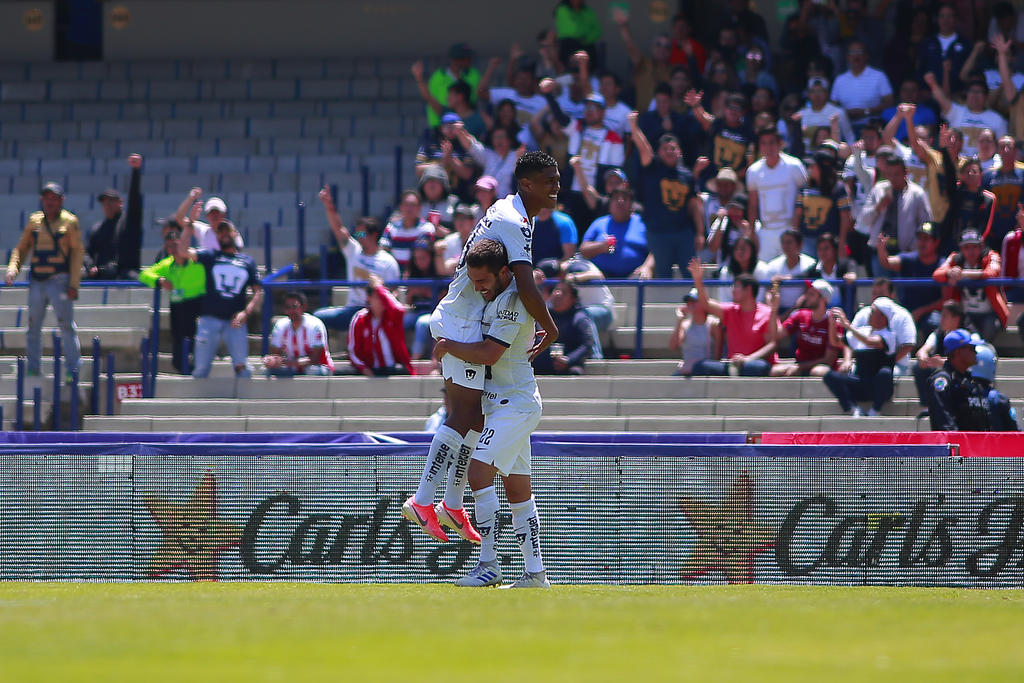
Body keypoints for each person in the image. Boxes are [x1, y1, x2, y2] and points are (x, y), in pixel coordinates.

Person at [405, 152, 560, 545]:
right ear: (526, 184)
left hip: (465, 316)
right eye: (549, 180)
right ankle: (424, 500)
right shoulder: (514, 220)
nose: (557, 186)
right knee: (465, 414)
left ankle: (451, 505)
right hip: (461, 320)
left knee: (475, 420)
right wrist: (551, 329)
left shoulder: (509, 210)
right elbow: (525, 284)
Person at [434, 239, 549, 588]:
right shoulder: (500, 296)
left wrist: (447, 347)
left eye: (483, 281)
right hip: (505, 404)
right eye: (473, 281)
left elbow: (489, 354)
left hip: (514, 403)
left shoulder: (511, 301)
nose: (478, 288)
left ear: (502, 272)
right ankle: (536, 574)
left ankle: (488, 565)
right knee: (518, 490)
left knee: (478, 473)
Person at [6, 182, 83, 380]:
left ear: (61, 201)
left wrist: (74, 284)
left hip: (60, 279)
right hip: (38, 280)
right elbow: (21, 249)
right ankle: (33, 367)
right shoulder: (34, 221)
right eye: (47, 198)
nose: (50, 202)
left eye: (54, 198)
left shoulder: (70, 222)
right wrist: (13, 269)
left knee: (66, 324)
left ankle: (72, 369)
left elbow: (77, 254)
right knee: (33, 325)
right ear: (42, 200)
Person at [313, 189, 401, 332]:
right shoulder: (353, 251)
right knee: (317, 316)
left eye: (361, 233)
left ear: (374, 235)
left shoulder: (388, 261)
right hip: (353, 310)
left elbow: (393, 292)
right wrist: (329, 207)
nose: (358, 236)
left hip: (377, 312)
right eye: (357, 233)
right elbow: (338, 229)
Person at [629, 112, 704, 277]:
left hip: (683, 233)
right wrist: (634, 127)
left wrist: (699, 232)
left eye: (673, 148)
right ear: (659, 152)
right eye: (665, 149)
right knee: (663, 275)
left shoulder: (687, 175)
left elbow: (694, 205)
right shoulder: (653, 168)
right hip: (658, 233)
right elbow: (644, 148)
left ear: (679, 151)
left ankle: (692, 302)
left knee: (691, 274)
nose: (669, 151)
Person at [190, 221, 262, 379]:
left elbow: (258, 291)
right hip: (209, 319)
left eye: (227, 231)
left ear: (235, 234)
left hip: (234, 321)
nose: (223, 234)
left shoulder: (247, 261)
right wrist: (189, 222)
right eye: (220, 231)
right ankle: (197, 402)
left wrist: (246, 313)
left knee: (242, 367)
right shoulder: (211, 256)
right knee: (200, 369)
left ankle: (245, 402)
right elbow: (183, 253)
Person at [688, 259, 776, 377]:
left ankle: (736, 372)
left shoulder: (767, 313)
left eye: (736, 286)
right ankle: (734, 372)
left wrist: (747, 359)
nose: (732, 290)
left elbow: (771, 345)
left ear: (748, 289)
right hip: (732, 365)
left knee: (757, 367)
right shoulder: (730, 310)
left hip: (754, 363)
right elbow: (705, 304)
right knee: (700, 367)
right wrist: (698, 280)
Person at [138, 224, 206, 374]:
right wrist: (160, 280)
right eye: (169, 247)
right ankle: (181, 368)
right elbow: (144, 274)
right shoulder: (167, 264)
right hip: (178, 306)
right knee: (177, 339)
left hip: (197, 304)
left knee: (196, 338)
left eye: (175, 245)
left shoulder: (196, 260)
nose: (172, 250)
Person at [858, 149, 932, 274]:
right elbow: (863, 220)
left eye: (896, 174)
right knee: (882, 290)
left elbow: (926, 224)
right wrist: (878, 207)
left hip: (905, 254)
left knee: (903, 291)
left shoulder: (917, 193)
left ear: (905, 173)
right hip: (881, 252)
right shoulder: (879, 190)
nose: (893, 178)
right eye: (889, 174)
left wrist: (915, 246)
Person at [824, 299, 898, 417]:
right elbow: (835, 341)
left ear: (883, 317)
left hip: (879, 388)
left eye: (873, 312)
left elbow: (870, 341)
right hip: (860, 383)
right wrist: (832, 323)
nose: (869, 314)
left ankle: (875, 410)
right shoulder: (862, 331)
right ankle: (852, 408)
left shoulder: (890, 336)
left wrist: (847, 325)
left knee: (885, 373)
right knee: (830, 376)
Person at [933, 228, 1008, 342]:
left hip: (989, 314)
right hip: (965, 314)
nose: (971, 251)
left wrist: (963, 274)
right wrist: (949, 273)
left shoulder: (991, 255)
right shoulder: (956, 258)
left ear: (981, 246)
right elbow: (937, 274)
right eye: (966, 247)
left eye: (975, 246)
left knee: (989, 328)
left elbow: (993, 272)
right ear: (961, 248)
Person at [926, 328, 1008, 430]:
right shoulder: (943, 380)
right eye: (971, 348)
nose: (976, 352)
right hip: (957, 444)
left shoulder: (971, 380)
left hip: (977, 444)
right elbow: (944, 422)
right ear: (958, 351)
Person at [746, 126, 808, 261]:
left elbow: (805, 197)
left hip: (789, 229)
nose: (768, 147)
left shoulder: (794, 165)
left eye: (771, 142)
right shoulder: (753, 171)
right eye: (763, 143)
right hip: (765, 232)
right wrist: (752, 232)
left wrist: (795, 230)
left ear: (780, 144)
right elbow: (752, 204)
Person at [876, 223, 945, 340]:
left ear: (936, 242)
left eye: (926, 239)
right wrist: (881, 249)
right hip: (905, 312)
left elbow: (945, 299)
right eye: (919, 239)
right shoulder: (908, 259)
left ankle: (932, 354)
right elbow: (886, 263)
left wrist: (920, 312)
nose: (922, 243)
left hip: (930, 313)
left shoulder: (942, 265)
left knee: (935, 322)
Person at [85, 154, 143, 280]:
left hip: (126, 273)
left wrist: (135, 171)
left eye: (111, 201)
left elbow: (135, 201)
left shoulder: (129, 222)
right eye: (105, 202)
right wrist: (90, 266)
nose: (108, 205)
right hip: (102, 275)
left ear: (120, 203)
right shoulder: (98, 229)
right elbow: (86, 252)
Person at [768, 279, 842, 377]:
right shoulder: (800, 315)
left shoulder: (833, 322)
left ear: (822, 299)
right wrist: (774, 308)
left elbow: (828, 360)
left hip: (821, 367)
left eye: (811, 294)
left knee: (817, 372)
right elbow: (775, 335)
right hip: (801, 365)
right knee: (775, 371)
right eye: (807, 293)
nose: (806, 297)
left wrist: (801, 367)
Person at [923, 73, 1007, 158]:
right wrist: (932, 83)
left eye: (978, 92)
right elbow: (941, 99)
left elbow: (1002, 145)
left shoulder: (997, 119)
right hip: (957, 161)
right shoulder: (957, 111)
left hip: (985, 164)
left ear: (986, 96)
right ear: (966, 94)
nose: (974, 95)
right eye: (971, 91)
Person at [344, 276, 414, 377]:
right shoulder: (360, 319)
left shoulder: (393, 318)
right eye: (377, 297)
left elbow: (399, 310)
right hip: (368, 369)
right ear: (369, 298)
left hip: (392, 369)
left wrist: (379, 288)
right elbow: (353, 352)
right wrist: (366, 370)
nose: (381, 301)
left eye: (382, 297)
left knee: (403, 371)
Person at [912, 299, 970, 412]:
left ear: (956, 318)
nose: (941, 320)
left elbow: (968, 362)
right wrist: (922, 357)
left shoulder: (968, 336)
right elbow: (923, 349)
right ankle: (927, 407)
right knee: (918, 367)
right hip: (942, 372)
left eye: (944, 316)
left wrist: (943, 363)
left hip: (960, 376)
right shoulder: (938, 333)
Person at [793, 149, 852, 259]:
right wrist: (795, 240)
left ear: (823, 168)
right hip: (807, 239)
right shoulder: (805, 188)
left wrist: (842, 243)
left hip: (829, 243)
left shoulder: (838, 189)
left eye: (813, 166)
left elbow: (845, 218)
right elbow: (798, 214)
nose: (810, 169)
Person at [579, 186, 649, 278]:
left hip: (635, 279)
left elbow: (655, 251)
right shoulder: (599, 223)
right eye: (616, 198)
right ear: (610, 204)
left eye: (625, 198)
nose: (620, 201)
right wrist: (601, 247)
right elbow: (583, 250)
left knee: (642, 277)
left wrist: (647, 267)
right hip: (600, 278)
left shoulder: (643, 223)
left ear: (632, 205)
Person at [263, 291, 333, 377]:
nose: (291, 311)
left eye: (294, 307)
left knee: (311, 371)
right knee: (267, 371)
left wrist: (286, 362)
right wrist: (272, 361)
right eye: (288, 307)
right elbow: (275, 354)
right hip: (292, 367)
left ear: (303, 308)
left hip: (319, 367)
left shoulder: (315, 325)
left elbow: (315, 359)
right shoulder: (280, 326)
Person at [830, 40, 894, 134]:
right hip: (845, 128)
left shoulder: (879, 76)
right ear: (847, 57)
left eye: (859, 52)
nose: (856, 56)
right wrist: (845, 114)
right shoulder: (840, 80)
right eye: (852, 53)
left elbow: (889, 102)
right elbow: (832, 106)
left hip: (873, 127)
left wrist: (866, 112)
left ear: (866, 56)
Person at [532, 280, 593, 375]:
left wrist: (568, 359)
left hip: (568, 363)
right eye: (556, 290)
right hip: (543, 362)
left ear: (573, 299)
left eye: (563, 292)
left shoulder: (579, 318)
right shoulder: (544, 315)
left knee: (575, 372)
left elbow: (586, 345)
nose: (557, 294)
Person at [421, 43, 482, 130]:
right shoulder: (439, 76)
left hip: (466, 124)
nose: (470, 60)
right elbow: (430, 98)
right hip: (440, 124)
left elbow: (476, 97)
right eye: (466, 58)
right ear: (456, 60)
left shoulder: (473, 74)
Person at [982, 135, 1023, 252]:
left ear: (1015, 151)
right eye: (1002, 147)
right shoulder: (988, 176)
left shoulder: (1023, 175)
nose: (1006, 150)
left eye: (1009, 147)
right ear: (997, 151)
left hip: (1017, 233)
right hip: (993, 233)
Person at [919, 3, 971, 94]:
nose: (945, 20)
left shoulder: (966, 44)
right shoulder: (927, 43)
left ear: (956, 19)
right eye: (942, 16)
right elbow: (921, 69)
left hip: (957, 97)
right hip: (930, 96)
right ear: (937, 19)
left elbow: (969, 73)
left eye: (949, 16)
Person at [761, 229, 816, 312]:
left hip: (804, 310)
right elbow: (768, 292)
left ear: (799, 244)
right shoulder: (773, 265)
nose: (786, 246)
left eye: (789, 242)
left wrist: (795, 309)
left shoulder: (811, 264)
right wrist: (772, 310)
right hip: (777, 310)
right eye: (783, 242)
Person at [670, 288, 718, 376]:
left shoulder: (713, 324)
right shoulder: (684, 324)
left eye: (694, 301)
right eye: (688, 301)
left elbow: (717, 355)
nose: (690, 304)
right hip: (686, 371)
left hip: (705, 370)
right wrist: (679, 320)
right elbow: (673, 346)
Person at [174, 191, 244, 252]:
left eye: (217, 212)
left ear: (224, 215)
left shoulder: (231, 232)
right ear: (207, 216)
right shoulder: (203, 230)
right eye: (211, 213)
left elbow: (239, 249)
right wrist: (191, 198)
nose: (214, 216)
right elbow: (179, 218)